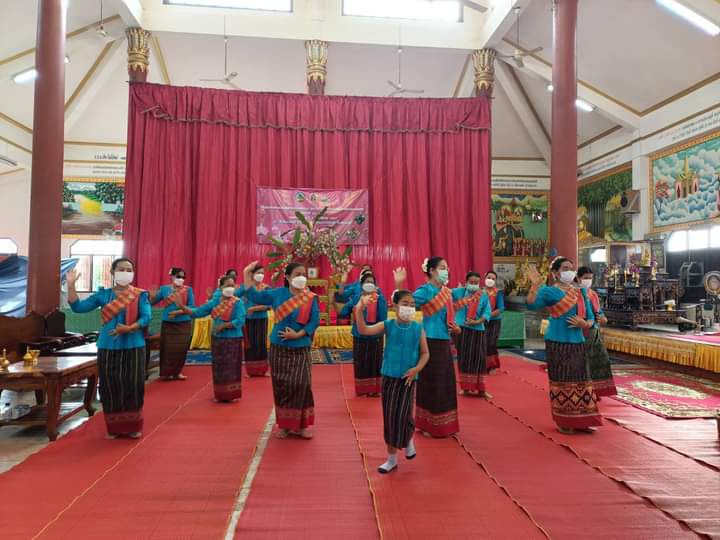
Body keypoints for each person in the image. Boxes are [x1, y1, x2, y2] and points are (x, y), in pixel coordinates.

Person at [66, 258, 151, 439]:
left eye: (129, 270)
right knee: (110, 386)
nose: (125, 273)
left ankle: (133, 426)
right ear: (112, 272)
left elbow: (146, 317)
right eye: (121, 269)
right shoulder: (103, 295)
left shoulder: (140, 295)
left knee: (133, 385)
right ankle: (114, 427)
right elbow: (78, 308)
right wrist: (71, 286)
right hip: (108, 346)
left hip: (134, 345)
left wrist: (129, 328)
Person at [355, 289, 430, 474]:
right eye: (405, 304)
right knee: (390, 416)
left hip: (408, 379)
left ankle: (408, 437)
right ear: (395, 306)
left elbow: (425, 353)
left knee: (404, 414)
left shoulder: (418, 328)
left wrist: (416, 369)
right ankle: (391, 459)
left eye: (412, 305)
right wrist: (359, 310)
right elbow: (364, 330)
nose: (409, 308)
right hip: (389, 377)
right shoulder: (388, 325)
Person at [243, 261, 320, 439]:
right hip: (279, 347)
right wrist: (247, 274)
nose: (302, 277)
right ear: (287, 277)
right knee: (282, 385)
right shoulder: (278, 293)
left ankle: (301, 426)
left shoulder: (310, 297)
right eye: (297, 274)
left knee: (302, 384)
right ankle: (285, 425)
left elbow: (314, 320)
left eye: (304, 274)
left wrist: (298, 334)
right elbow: (254, 296)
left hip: (301, 346)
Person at [526, 257, 602, 434]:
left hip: (578, 342)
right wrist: (535, 285)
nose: (570, 271)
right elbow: (532, 305)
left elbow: (591, 318)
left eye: (571, 268)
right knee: (562, 381)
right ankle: (564, 421)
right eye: (565, 268)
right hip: (557, 342)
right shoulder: (549, 291)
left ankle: (583, 420)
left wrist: (584, 324)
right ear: (556, 273)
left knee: (582, 380)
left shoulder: (580, 292)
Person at [394, 256, 460, 438]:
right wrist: (399, 285)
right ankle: (429, 425)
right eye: (442, 267)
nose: (446, 271)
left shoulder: (447, 292)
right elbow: (405, 306)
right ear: (432, 270)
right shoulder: (425, 290)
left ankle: (444, 425)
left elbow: (450, 317)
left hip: (444, 340)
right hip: (429, 340)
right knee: (431, 382)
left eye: (447, 267)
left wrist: (456, 328)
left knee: (445, 383)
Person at [188, 275, 246, 402]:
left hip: (233, 339)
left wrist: (224, 326)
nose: (230, 288)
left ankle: (231, 394)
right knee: (219, 367)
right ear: (221, 287)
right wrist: (182, 307)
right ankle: (220, 394)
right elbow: (198, 312)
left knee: (232, 367)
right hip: (218, 339)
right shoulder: (215, 302)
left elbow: (240, 320)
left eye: (232, 285)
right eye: (227, 285)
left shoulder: (238, 302)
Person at [339, 273, 388, 396]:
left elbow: (383, 317)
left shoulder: (380, 298)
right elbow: (344, 311)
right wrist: (355, 307)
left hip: (375, 335)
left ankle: (374, 390)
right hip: (359, 335)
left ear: (375, 285)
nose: (369, 284)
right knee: (360, 362)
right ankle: (362, 390)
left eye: (372, 282)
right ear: (361, 285)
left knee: (375, 362)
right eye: (367, 282)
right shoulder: (357, 297)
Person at [577, 267, 616, 398]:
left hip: (594, 331)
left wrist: (603, 318)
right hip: (580, 332)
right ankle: (583, 391)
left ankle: (597, 391)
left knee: (600, 360)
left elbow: (599, 312)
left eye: (590, 278)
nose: (588, 280)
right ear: (578, 278)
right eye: (585, 278)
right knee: (583, 362)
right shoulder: (574, 293)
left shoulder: (593, 294)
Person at [150, 267, 195, 381]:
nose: (181, 279)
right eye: (179, 276)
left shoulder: (188, 290)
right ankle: (166, 373)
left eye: (183, 277)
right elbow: (151, 302)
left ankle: (177, 372)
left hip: (184, 323)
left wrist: (177, 312)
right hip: (168, 323)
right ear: (172, 276)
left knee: (181, 349)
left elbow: (192, 307)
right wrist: (152, 296)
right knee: (167, 349)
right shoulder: (164, 289)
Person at [453, 272, 492, 396]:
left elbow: (487, 312)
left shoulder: (483, 295)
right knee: (464, 358)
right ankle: (465, 388)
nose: (474, 284)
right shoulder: (459, 292)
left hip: (478, 330)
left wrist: (477, 321)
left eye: (476, 282)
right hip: (462, 329)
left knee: (480, 359)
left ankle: (481, 390)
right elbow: (445, 295)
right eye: (471, 282)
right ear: (466, 282)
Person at [243, 264, 271, 377]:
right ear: (252, 274)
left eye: (262, 273)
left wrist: (254, 309)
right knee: (249, 344)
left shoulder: (266, 288)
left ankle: (263, 370)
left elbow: (269, 305)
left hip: (262, 319)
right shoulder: (247, 288)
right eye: (258, 273)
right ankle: (250, 371)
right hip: (248, 320)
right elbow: (242, 304)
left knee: (261, 343)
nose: (260, 275)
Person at [484, 271, 504, 372]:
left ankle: (492, 365)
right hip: (481, 321)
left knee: (491, 342)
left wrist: (488, 315)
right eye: (489, 277)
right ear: (485, 278)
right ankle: (482, 364)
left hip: (494, 321)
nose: (490, 280)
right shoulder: (480, 292)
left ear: (495, 281)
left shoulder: (498, 293)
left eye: (493, 279)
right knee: (483, 342)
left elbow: (501, 308)